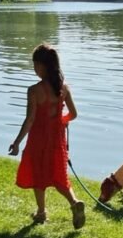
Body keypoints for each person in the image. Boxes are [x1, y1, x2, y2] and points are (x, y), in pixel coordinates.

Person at [8, 43, 86, 228]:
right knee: (59, 175)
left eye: (35, 64)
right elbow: (73, 114)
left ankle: (42, 212)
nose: (34, 69)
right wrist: (62, 121)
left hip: (38, 140)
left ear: (42, 66)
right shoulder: (63, 88)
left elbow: (29, 120)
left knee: (38, 173)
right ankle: (74, 203)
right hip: (57, 140)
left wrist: (17, 142)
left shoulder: (34, 91)